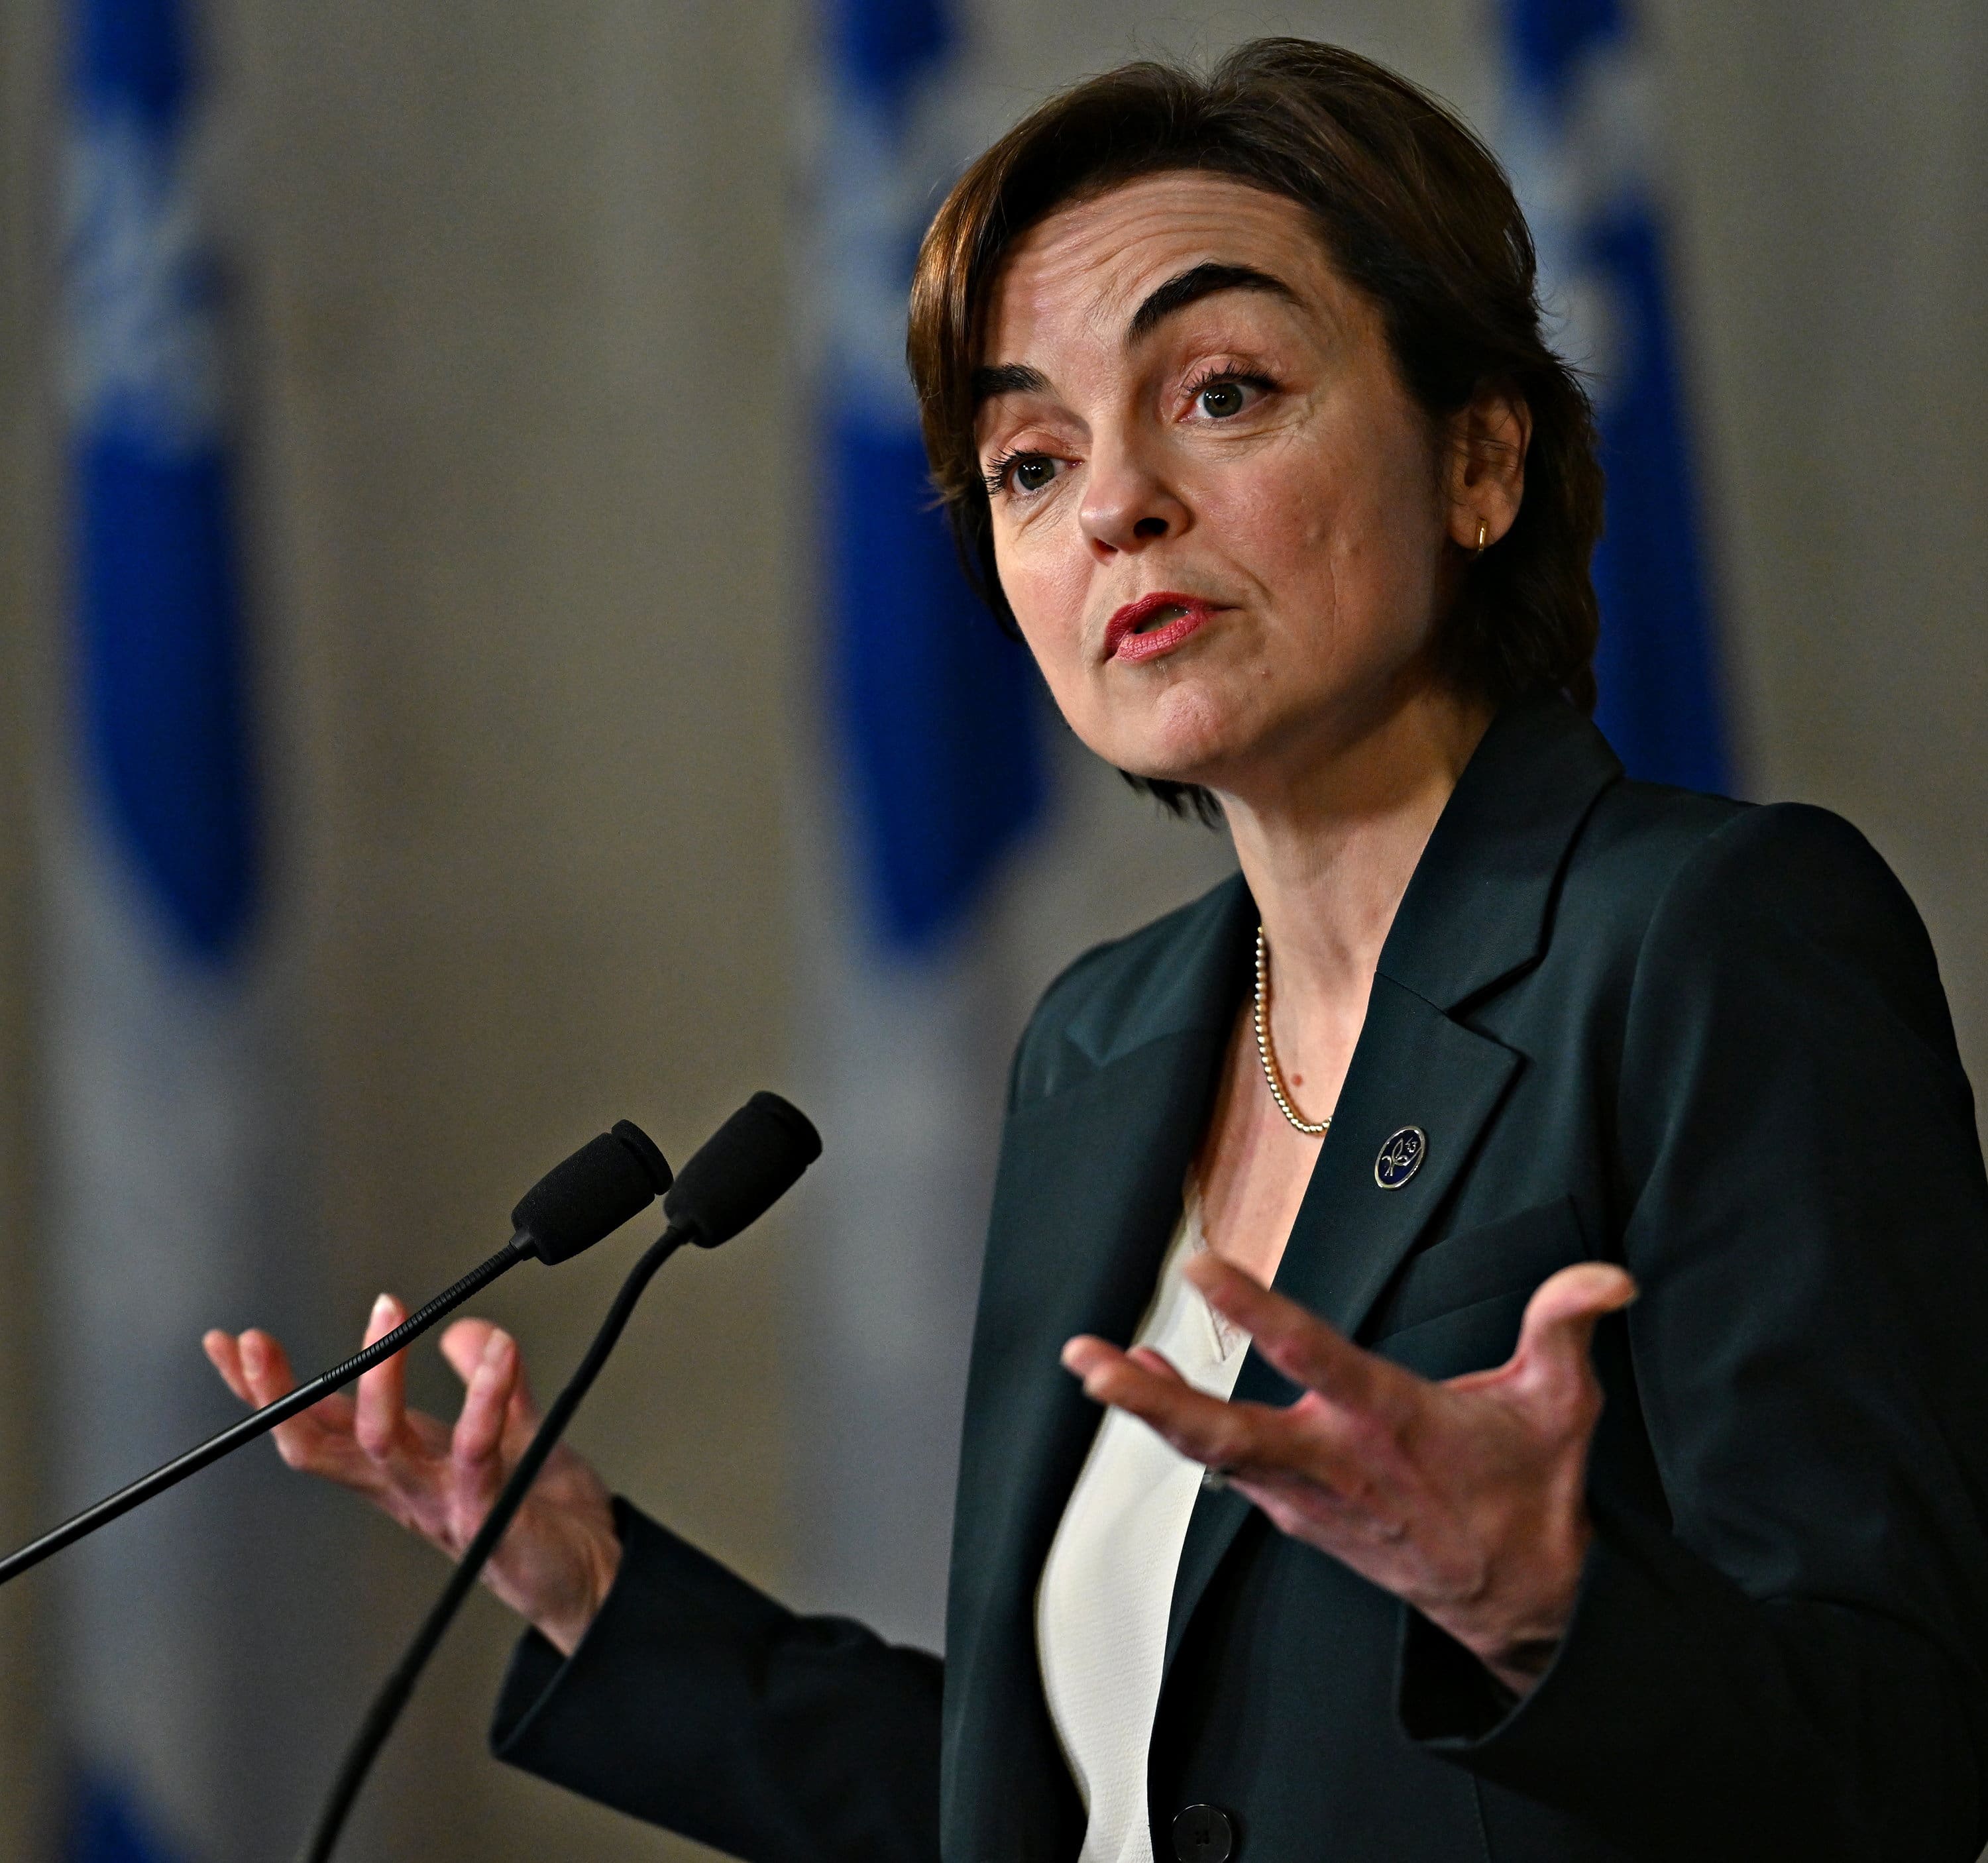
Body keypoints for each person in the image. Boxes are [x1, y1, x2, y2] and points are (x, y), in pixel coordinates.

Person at [205, 39, 1988, 1863]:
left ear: (1480, 456)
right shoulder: (1105, 1043)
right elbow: (1105, 1800)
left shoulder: (1710, 939)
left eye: (1221, 391)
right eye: (1030, 461)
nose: (1114, 503)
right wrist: (594, 1586)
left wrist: (1545, 1614)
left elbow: (1909, 1766)